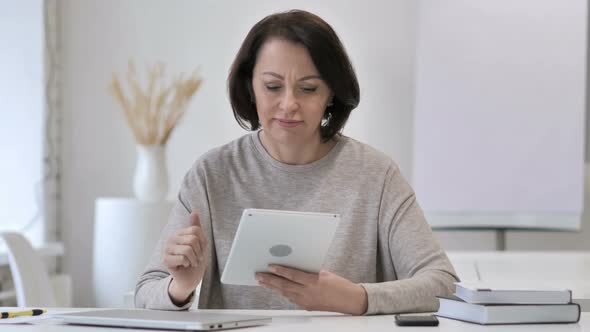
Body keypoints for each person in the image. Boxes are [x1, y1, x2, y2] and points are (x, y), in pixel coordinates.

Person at [135, 9, 458, 315]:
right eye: (273, 86)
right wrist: (182, 286)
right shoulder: (212, 173)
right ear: (250, 87)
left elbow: (443, 285)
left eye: (308, 88)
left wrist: (356, 298)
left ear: (331, 93)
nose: (289, 104)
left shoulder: (375, 174)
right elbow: (146, 292)